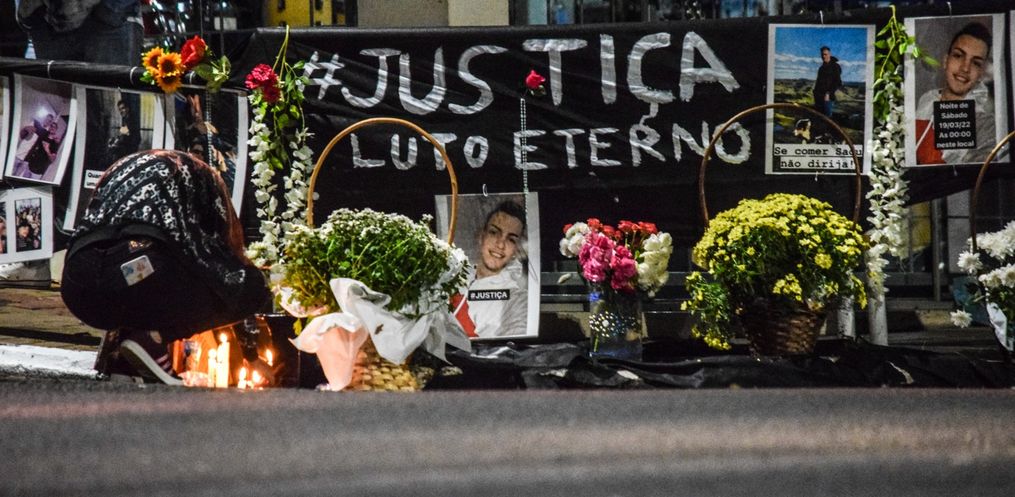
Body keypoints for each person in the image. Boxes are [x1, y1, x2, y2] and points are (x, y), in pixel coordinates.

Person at [61, 150, 271, 384]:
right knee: (250, 286)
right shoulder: (203, 179)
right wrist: (251, 354)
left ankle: (122, 361)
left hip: (78, 281)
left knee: (134, 281)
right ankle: (154, 338)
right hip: (141, 267)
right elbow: (228, 271)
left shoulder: (126, 169)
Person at [2, 0, 142, 287]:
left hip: (107, 19)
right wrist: (31, 12)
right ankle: (31, 256)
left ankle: (110, 257)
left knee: (112, 134)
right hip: (47, 17)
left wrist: (112, 10)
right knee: (39, 125)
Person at [915, 21, 995, 165]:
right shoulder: (926, 99)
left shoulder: (986, 125)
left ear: (981, 73)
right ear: (946, 61)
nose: (965, 68)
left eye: (976, 63)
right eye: (958, 55)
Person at [452, 200, 529, 338]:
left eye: (511, 239)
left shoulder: (517, 298)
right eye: (494, 232)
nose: (500, 245)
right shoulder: (455, 276)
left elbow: (516, 337)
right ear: (481, 236)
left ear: (516, 250)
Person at [106, 99, 141, 165]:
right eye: (119, 109)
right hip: (125, 147)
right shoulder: (125, 119)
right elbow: (123, 134)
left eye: (123, 108)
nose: (121, 111)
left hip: (129, 149)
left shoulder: (131, 120)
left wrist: (117, 142)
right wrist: (116, 139)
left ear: (127, 108)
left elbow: (128, 135)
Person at [813, 46, 841, 118]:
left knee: (827, 119)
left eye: (825, 54)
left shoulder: (835, 66)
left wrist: (828, 93)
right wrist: (815, 93)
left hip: (827, 98)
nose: (823, 56)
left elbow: (838, 82)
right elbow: (818, 82)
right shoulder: (821, 68)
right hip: (818, 98)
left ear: (829, 54)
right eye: (822, 54)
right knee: (819, 118)